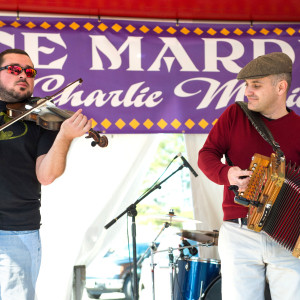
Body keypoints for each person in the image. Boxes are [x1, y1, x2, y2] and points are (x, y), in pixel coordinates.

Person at [198, 52, 300, 300]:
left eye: (256, 85)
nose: (247, 92)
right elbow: (206, 155)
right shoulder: (235, 115)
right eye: (246, 85)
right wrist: (227, 173)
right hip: (239, 232)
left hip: (288, 237)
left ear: (281, 87)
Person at [0, 48, 92, 300]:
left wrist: (64, 136)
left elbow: (46, 175)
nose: (23, 75)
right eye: (14, 69)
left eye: (29, 72)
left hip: (14, 230)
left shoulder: (42, 115)